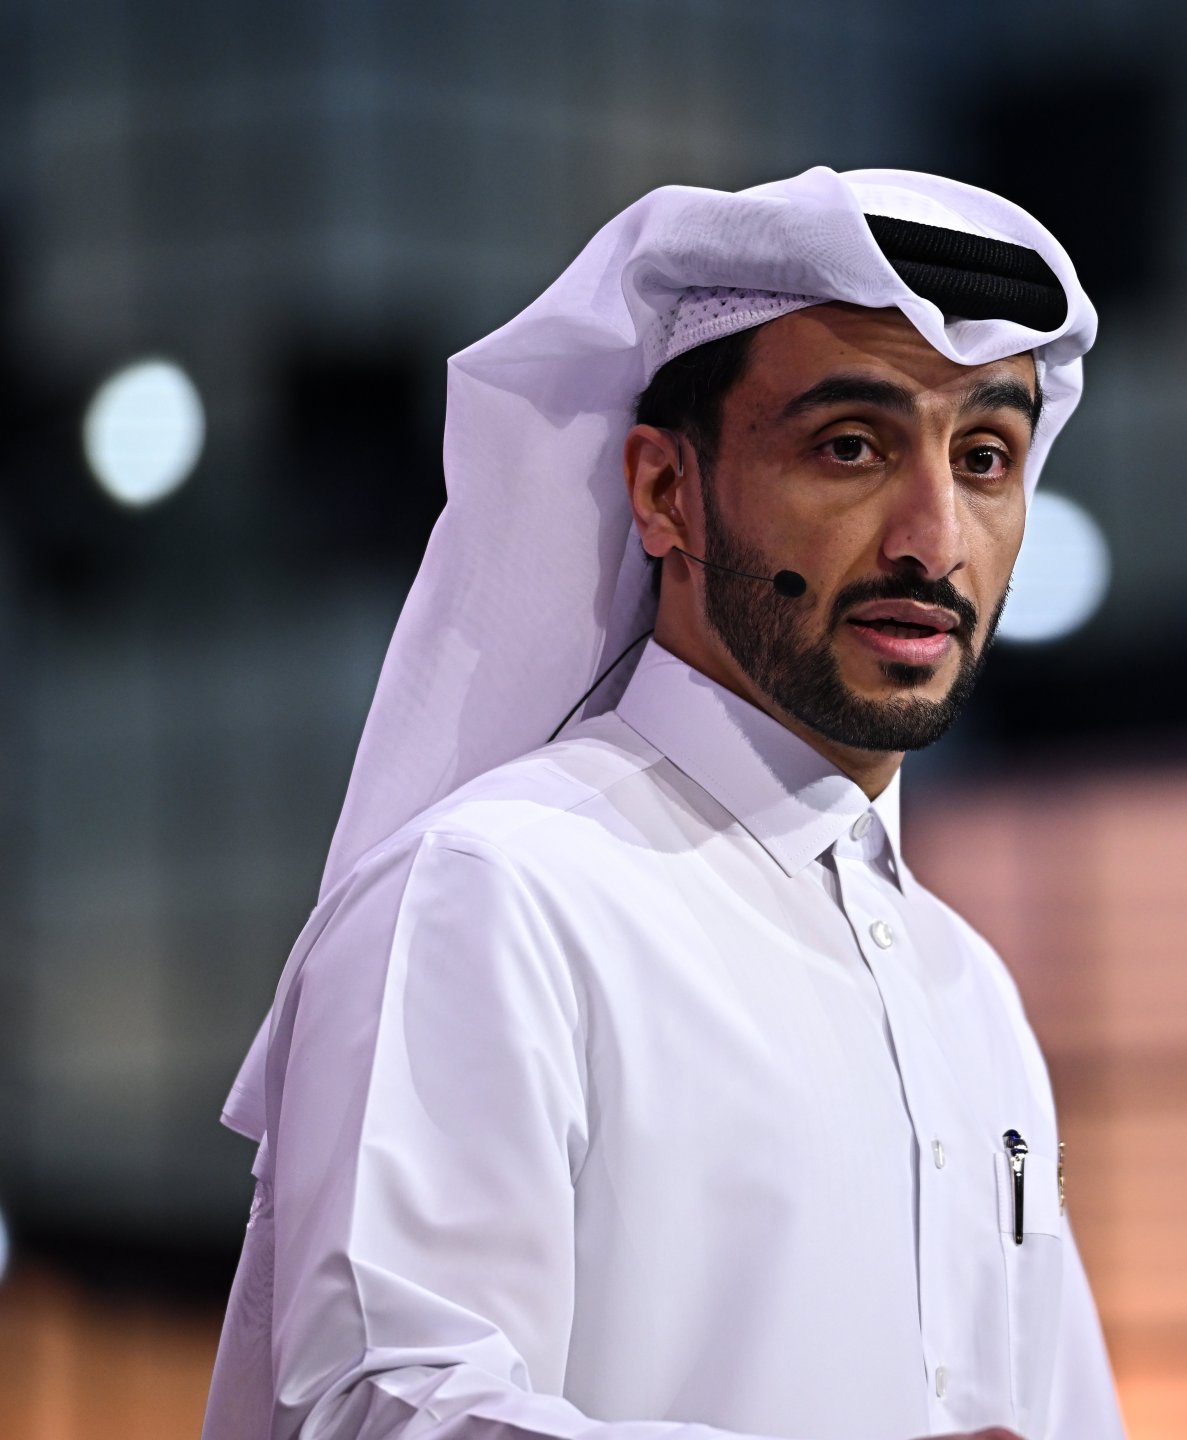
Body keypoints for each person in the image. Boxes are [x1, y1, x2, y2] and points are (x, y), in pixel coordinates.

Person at [200, 166, 1122, 1440]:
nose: (934, 538)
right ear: (663, 490)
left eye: (984, 460)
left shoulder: (972, 993)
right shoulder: (495, 896)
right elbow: (375, 1411)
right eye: (851, 447)